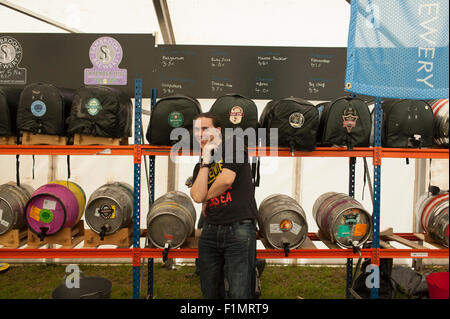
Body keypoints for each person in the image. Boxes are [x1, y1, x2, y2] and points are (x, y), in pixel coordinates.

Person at [190, 112, 258, 299]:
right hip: (210, 231)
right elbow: (196, 195)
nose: (200, 134)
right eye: (197, 130)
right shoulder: (202, 163)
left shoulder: (233, 145)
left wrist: (206, 198)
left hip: (239, 229)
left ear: (218, 130)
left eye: (205, 128)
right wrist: (205, 160)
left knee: (239, 292)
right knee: (210, 290)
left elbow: (226, 179)